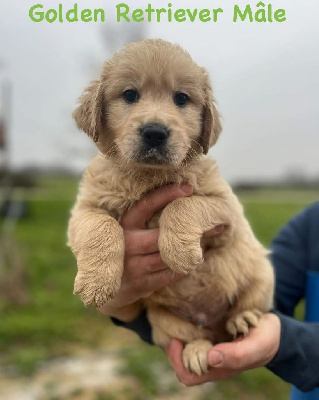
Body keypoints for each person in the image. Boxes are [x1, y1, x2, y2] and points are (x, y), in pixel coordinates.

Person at [99, 184, 319, 394]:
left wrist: (290, 342)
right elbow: (270, 293)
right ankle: (198, 338)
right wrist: (122, 305)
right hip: (190, 314)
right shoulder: (309, 225)